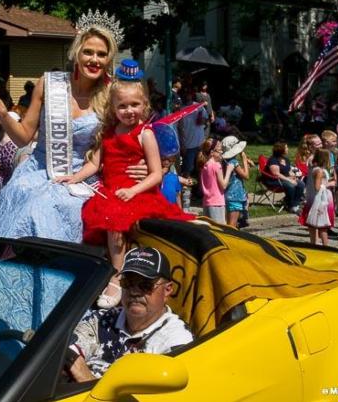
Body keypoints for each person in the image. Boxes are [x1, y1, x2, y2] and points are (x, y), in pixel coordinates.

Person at [0, 13, 148, 243]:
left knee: (47, 208)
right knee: (23, 204)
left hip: (83, 176)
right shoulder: (49, 83)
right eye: (88, 52)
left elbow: (138, 135)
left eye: (101, 54)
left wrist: (145, 164)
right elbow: (23, 138)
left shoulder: (113, 95)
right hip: (38, 171)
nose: (94, 59)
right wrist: (2, 112)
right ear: (76, 53)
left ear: (109, 59)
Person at [57, 63, 193, 308]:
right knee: (88, 214)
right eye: (123, 106)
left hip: (137, 193)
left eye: (134, 105)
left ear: (144, 105)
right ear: (113, 108)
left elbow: (155, 175)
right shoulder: (109, 132)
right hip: (111, 191)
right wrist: (75, 177)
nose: (129, 110)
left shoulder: (145, 134)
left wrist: (133, 190)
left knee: (113, 219)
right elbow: (96, 163)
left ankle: (118, 276)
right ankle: (96, 271)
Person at [65, 246, 193, 382]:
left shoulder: (177, 341)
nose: (134, 292)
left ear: (167, 290)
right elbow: (65, 353)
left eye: (145, 285)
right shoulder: (102, 319)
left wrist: (87, 379)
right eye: (128, 283)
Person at [298, 149, 334, 246]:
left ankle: (313, 243)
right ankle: (325, 245)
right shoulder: (319, 171)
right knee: (322, 225)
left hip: (319, 198)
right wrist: (329, 183)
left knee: (314, 224)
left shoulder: (316, 169)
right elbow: (317, 187)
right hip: (320, 200)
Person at [197, 138, 233, 224]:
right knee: (219, 230)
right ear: (212, 152)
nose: (221, 153)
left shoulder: (204, 165)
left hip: (207, 203)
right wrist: (229, 170)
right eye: (220, 150)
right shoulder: (216, 165)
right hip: (217, 203)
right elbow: (223, 185)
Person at [264, 142, 305, 214]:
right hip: (274, 180)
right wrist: (289, 180)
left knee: (301, 184)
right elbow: (276, 174)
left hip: (284, 179)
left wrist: (293, 176)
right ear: (281, 150)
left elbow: (288, 171)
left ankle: (295, 204)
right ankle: (290, 205)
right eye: (286, 148)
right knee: (290, 185)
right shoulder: (273, 160)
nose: (288, 149)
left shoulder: (286, 159)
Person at [221, 136, 252, 228]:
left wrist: (246, 166)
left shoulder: (225, 161)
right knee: (232, 226)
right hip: (235, 196)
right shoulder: (233, 161)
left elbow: (237, 174)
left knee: (229, 223)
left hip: (229, 195)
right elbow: (246, 176)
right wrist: (244, 160)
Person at [177, 90, 207, 178]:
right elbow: (179, 128)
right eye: (185, 94)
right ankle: (186, 186)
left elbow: (206, 120)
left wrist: (202, 120)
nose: (187, 96)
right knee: (188, 168)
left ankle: (202, 184)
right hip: (188, 144)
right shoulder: (181, 109)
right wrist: (182, 144)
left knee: (201, 165)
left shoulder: (198, 106)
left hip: (200, 142)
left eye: (189, 94)